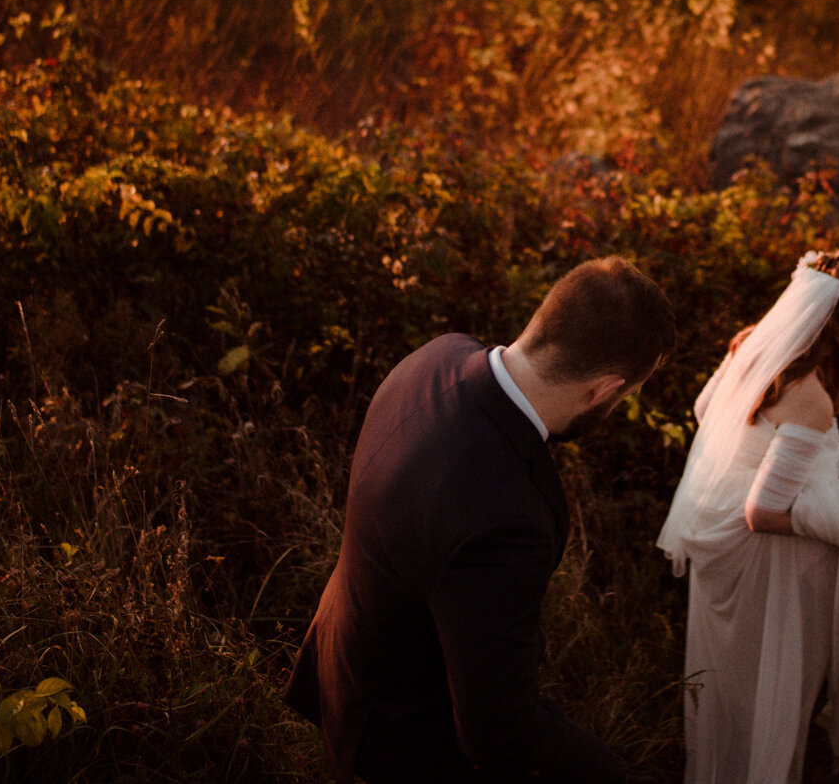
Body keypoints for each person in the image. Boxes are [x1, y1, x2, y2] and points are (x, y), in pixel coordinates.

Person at [289, 255, 676, 784]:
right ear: (605, 389)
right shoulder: (506, 518)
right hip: (401, 738)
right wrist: (608, 770)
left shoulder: (437, 355)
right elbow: (498, 732)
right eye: (628, 392)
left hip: (344, 661)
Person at [657, 249, 839, 784]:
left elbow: (706, 413)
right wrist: (837, 519)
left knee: (726, 683)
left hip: (719, 545)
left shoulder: (749, 347)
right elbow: (763, 511)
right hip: (767, 560)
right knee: (773, 687)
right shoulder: (810, 397)